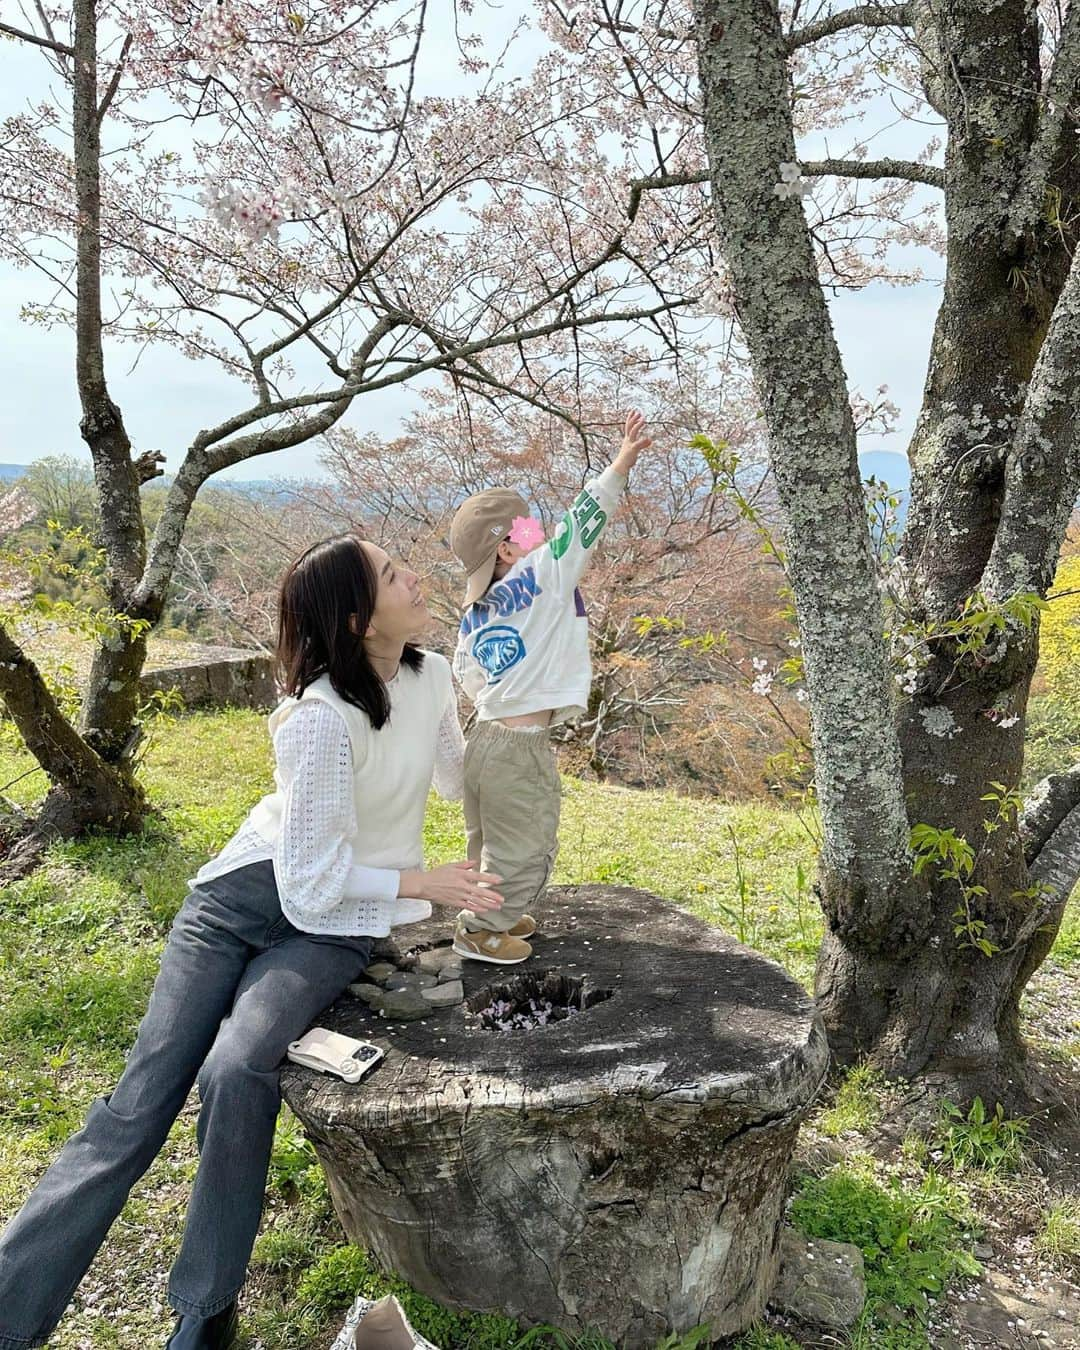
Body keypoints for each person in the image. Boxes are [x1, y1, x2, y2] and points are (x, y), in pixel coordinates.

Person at [0, 535, 501, 1350]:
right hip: (246, 900)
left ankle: (204, 1310)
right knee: (136, 1110)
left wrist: (513, 698)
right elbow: (305, 882)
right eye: (392, 575)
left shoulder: (431, 672)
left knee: (239, 1068)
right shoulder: (317, 717)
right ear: (354, 617)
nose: (414, 579)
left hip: (336, 924)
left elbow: (458, 774)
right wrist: (418, 885)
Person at [448, 410, 652, 964]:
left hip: (484, 736)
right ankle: (483, 929)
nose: (537, 528)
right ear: (509, 549)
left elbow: (465, 673)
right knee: (525, 839)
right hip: (518, 747)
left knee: (488, 836)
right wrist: (620, 464)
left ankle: (496, 907)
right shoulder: (541, 573)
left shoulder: (478, 609)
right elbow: (581, 525)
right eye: (526, 526)